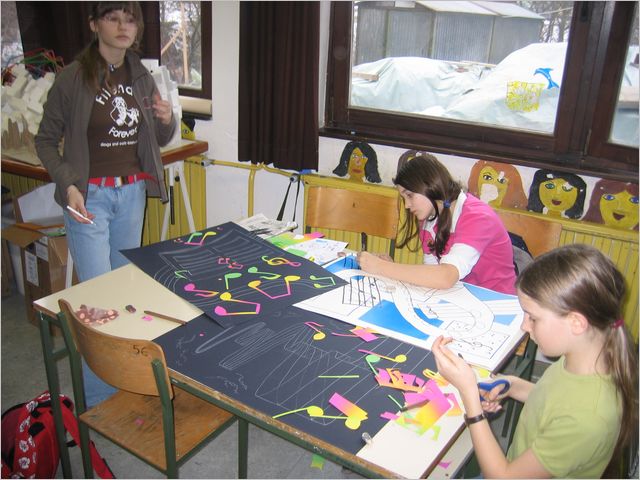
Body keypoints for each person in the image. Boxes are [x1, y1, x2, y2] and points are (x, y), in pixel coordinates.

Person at [35, 1, 176, 406]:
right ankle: (98, 402)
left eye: (130, 19)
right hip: (90, 198)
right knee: (97, 306)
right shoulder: (72, 78)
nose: (123, 26)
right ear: (94, 24)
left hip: (131, 194)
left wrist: (165, 119)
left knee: (124, 299)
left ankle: (122, 384)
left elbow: (158, 140)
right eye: (113, 18)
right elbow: (45, 141)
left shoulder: (141, 75)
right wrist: (68, 185)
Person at [432, 244, 638, 478]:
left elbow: (503, 477)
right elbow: (553, 400)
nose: (524, 326)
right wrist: (511, 385)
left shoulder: (589, 418)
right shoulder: (581, 358)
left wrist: (470, 398)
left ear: (576, 323)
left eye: (533, 318)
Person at [357, 152, 516, 294]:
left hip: (496, 302)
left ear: (429, 186)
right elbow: (433, 274)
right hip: (462, 297)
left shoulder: (478, 217)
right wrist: (393, 270)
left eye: (409, 195)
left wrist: (383, 267)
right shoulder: (430, 216)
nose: (406, 205)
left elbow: (446, 277)